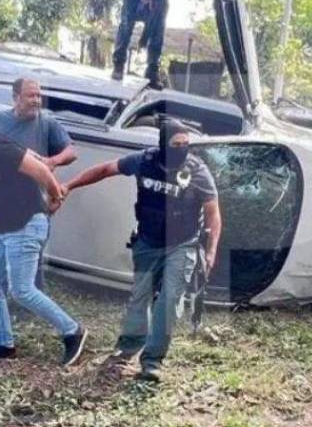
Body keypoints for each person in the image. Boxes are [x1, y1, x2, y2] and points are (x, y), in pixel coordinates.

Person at [64, 119, 222, 382]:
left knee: (170, 300)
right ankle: (128, 347)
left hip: (181, 244)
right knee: (140, 297)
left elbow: (213, 212)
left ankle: (152, 361)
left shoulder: (197, 171)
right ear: (162, 144)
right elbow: (105, 169)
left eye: (186, 144)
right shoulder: (143, 161)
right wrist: (69, 186)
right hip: (148, 242)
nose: (182, 148)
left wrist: (211, 250)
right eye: (176, 144)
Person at [0, 108, 88, 367]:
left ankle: (73, 331)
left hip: (25, 226)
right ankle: (2, 345)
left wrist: (55, 197)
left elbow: (41, 170)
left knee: (22, 290)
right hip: (6, 228)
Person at [0, 77, 76, 289]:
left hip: (34, 206)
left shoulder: (47, 123)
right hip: (2, 203)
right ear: (16, 98)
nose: (37, 100)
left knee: (31, 259)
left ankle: (30, 303)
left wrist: (52, 161)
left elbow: (72, 152)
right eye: (31, 95)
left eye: (39, 95)